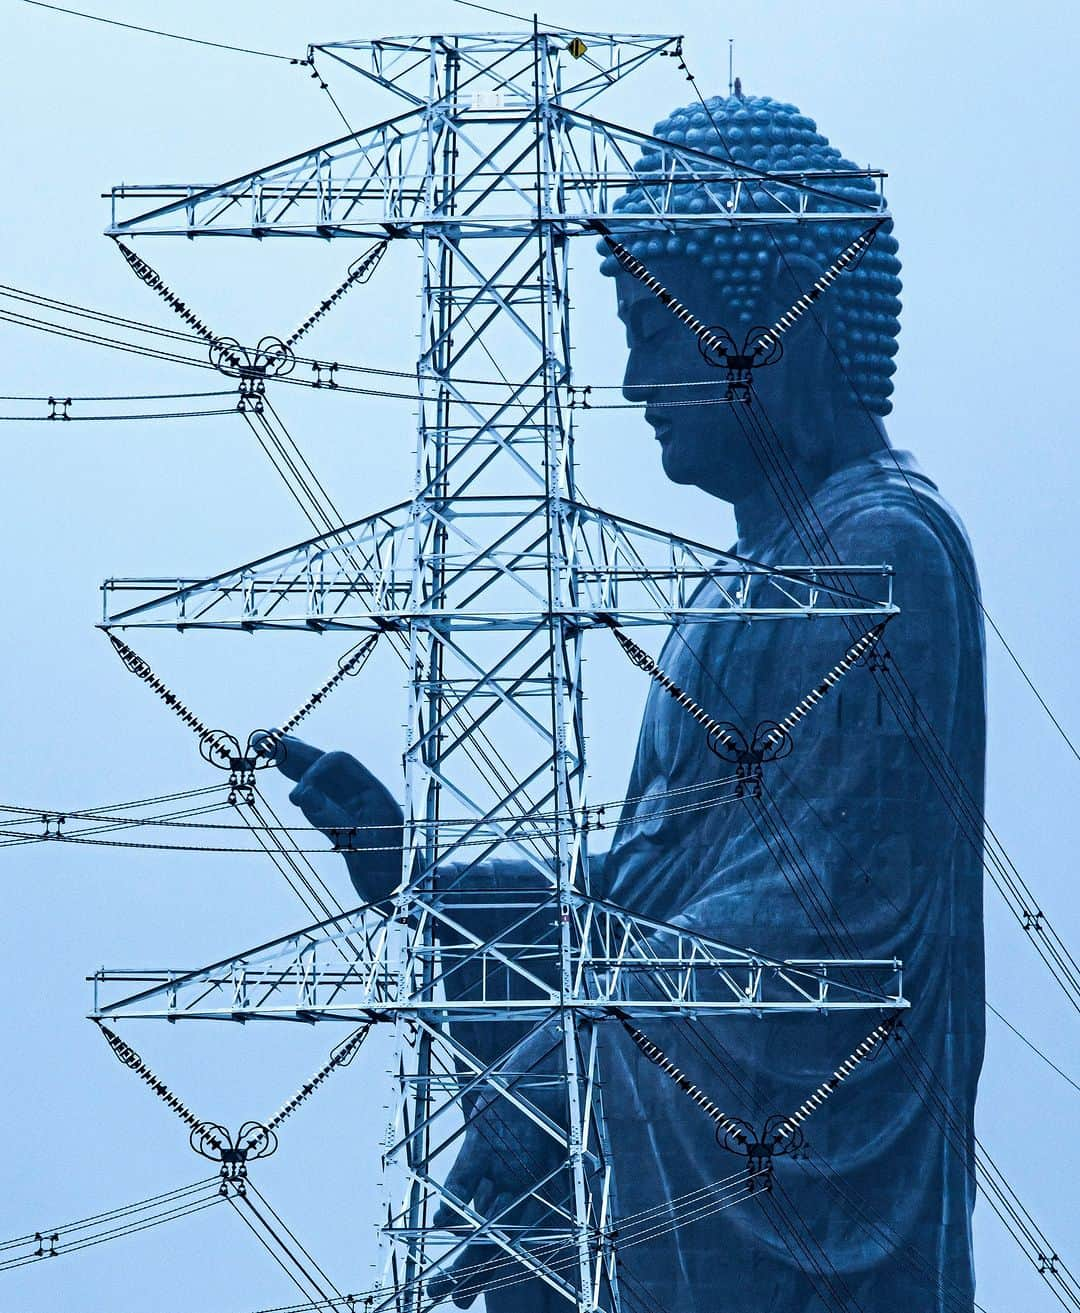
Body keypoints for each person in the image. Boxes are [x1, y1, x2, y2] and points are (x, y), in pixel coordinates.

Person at [271, 92, 986, 1313]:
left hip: (807, 1186)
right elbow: (661, 889)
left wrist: (571, 1072)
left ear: (774, 319)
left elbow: (819, 931)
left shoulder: (885, 552)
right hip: (677, 1118)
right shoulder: (741, 582)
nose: (632, 378)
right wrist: (437, 885)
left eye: (659, 332)